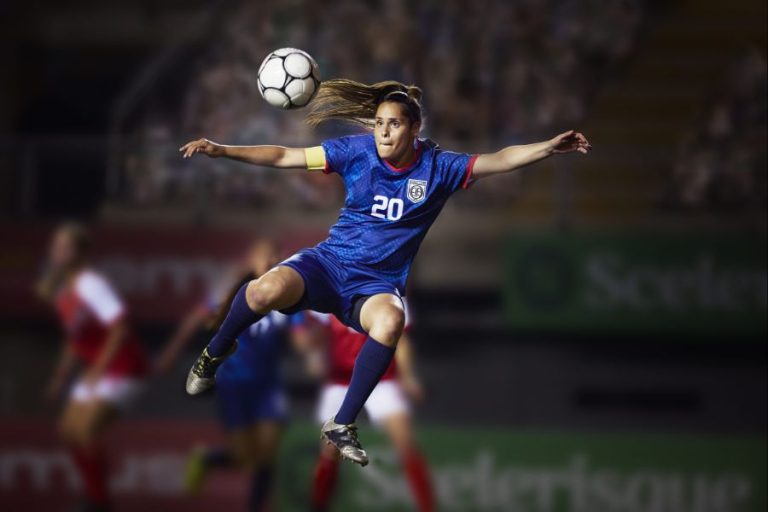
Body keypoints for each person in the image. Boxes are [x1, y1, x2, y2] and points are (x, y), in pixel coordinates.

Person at [179, 79, 591, 466]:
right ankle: (213, 354)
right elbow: (285, 156)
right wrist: (223, 150)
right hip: (328, 264)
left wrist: (548, 147)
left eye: (394, 124)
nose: (384, 132)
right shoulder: (355, 151)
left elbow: (499, 159)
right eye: (378, 123)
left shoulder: (439, 167)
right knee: (261, 291)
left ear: (414, 129)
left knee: (392, 319)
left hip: (374, 285)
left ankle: (342, 423)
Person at [155, 239, 312, 512]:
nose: (270, 260)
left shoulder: (286, 294)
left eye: (275, 255)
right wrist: (171, 351)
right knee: (245, 458)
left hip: (269, 385)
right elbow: (197, 319)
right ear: (252, 258)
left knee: (268, 453)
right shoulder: (233, 290)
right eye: (265, 255)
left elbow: (300, 335)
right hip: (233, 384)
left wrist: (310, 353)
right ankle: (209, 459)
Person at [40, 223, 148, 512]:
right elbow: (74, 340)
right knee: (67, 430)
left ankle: (99, 502)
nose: (58, 251)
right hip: (99, 370)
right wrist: (59, 378)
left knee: (86, 430)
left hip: (124, 367)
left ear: (79, 252)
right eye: (56, 245)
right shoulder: (63, 291)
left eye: (65, 246)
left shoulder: (91, 284)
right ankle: (95, 496)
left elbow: (120, 329)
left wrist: (98, 369)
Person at [306, 306, 434, 512]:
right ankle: (318, 507)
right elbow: (319, 332)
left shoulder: (392, 294)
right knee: (330, 451)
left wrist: (408, 375)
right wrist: (315, 355)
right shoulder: (329, 289)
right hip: (339, 381)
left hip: (381, 378)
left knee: (405, 443)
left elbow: (401, 339)